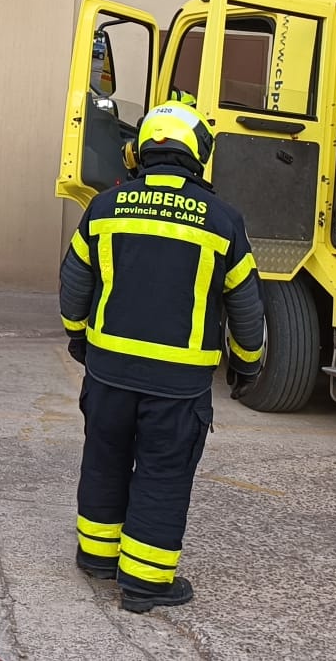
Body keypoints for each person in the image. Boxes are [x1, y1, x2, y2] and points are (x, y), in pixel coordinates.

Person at [60, 99, 266, 613]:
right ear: (199, 154)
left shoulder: (105, 208)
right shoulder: (222, 220)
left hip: (107, 372)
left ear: (139, 152)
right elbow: (245, 302)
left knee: (105, 457)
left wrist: (77, 336)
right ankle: (146, 583)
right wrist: (249, 360)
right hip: (179, 385)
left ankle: (98, 556)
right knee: (162, 471)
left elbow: (73, 281)